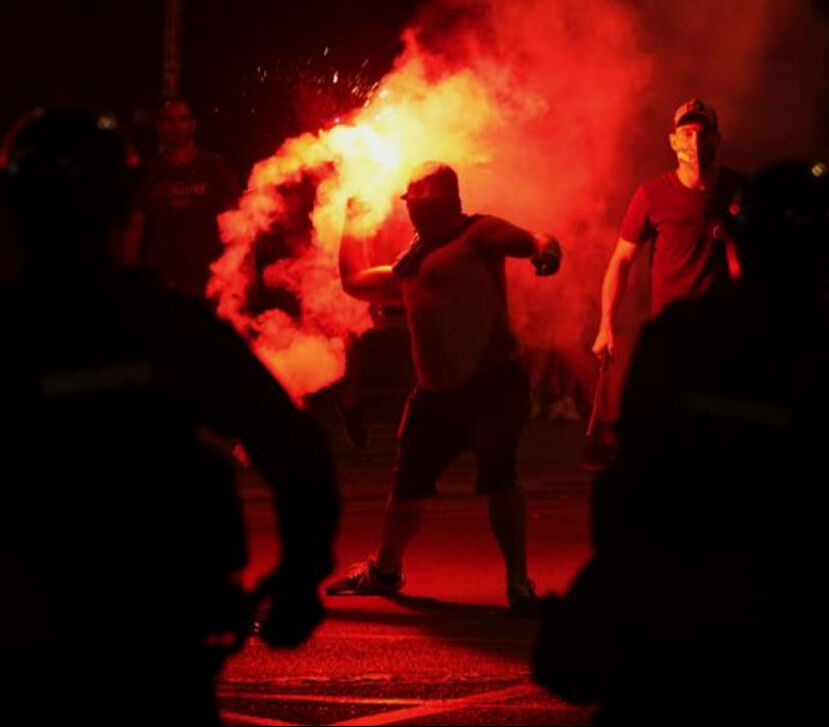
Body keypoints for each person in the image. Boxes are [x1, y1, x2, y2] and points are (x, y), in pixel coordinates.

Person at [533, 161, 829, 724]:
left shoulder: (676, 338)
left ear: (738, 250)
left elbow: (630, 478)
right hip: (782, 651)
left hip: (664, 642)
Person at [0, 106, 339, 724]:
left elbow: (294, 448)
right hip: (156, 645)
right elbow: (295, 449)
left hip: (37, 647)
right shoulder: (170, 328)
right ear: (128, 205)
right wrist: (299, 576)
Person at [326, 162, 561, 614]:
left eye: (420, 203)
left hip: (492, 384)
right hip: (434, 397)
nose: (412, 212)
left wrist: (546, 254)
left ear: (447, 201)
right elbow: (354, 283)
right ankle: (386, 570)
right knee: (408, 484)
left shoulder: (479, 233)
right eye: (410, 203)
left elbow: (535, 239)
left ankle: (519, 583)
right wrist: (350, 220)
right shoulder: (410, 263)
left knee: (500, 477)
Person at [587, 98, 743, 468]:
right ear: (672, 141)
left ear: (717, 140)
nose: (695, 142)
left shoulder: (739, 190)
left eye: (703, 134)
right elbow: (621, 261)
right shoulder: (652, 195)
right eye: (686, 134)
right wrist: (606, 324)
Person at [124, 98, 239, 298]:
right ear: (159, 126)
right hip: (160, 281)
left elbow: (236, 224)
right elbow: (135, 225)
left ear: (193, 125)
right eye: (168, 120)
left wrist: (238, 274)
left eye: (182, 119)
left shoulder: (216, 167)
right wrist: (128, 274)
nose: (176, 126)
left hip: (209, 279)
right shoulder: (149, 172)